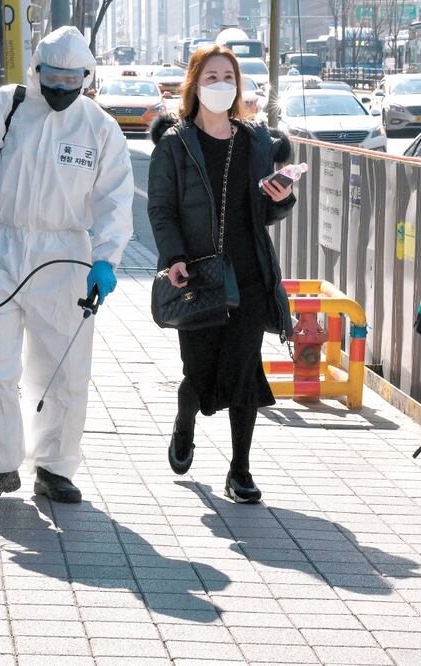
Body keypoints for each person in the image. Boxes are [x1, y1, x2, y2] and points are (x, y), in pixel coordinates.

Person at [0, 26, 134, 504]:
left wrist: (107, 258)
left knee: (64, 366)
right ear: (36, 71)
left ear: (86, 77)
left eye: (70, 79)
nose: (59, 88)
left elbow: (115, 199)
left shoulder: (99, 127)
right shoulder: (7, 106)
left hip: (67, 255)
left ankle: (54, 467)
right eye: (51, 76)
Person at [148, 44, 295, 503]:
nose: (220, 85)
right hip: (197, 276)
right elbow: (162, 210)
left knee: (245, 368)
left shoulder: (255, 141)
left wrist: (279, 198)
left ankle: (241, 471)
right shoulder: (175, 144)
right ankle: (185, 418)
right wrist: (173, 259)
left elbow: (267, 213)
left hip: (250, 272)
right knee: (202, 373)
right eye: (210, 77)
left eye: (227, 76)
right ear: (195, 85)